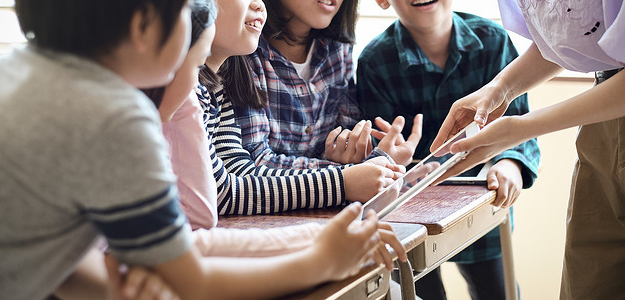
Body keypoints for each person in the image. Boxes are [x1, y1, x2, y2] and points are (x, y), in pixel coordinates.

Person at [0, 1, 405, 299]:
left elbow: (57, 260)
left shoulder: (14, 70)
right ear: (143, 25)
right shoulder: (114, 115)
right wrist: (322, 262)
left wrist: (118, 283)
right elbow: (192, 283)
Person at [428, 1, 625, 299]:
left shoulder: (488, 38)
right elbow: (583, 36)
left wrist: (521, 129)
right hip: (602, 126)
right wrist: (501, 88)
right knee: (588, 279)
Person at [356, 1, 540, 299]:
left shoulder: (493, 40)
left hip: (483, 206)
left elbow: (520, 124)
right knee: (421, 291)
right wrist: (390, 160)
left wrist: (511, 164)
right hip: (411, 220)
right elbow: (379, 160)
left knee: (498, 291)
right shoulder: (375, 61)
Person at [233, 0, 422, 173]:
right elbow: (254, 163)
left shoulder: (338, 48)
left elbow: (349, 130)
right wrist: (353, 170)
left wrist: (372, 151)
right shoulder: (243, 52)